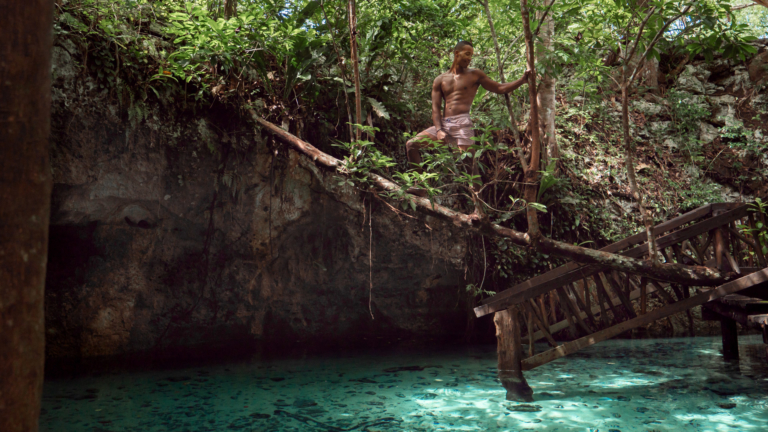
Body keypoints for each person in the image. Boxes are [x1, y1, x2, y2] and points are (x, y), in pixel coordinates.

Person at [406, 41, 531, 208]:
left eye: (471, 55)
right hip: (444, 124)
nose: (470, 58)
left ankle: (479, 210)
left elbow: (501, 88)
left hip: (463, 123)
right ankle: (419, 186)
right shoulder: (440, 80)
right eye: (467, 54)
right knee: (411, 144)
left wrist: (522, 80)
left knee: (471, 168)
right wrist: (439, 130)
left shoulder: (475, 75)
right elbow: (435, 109)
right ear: (456, 53)